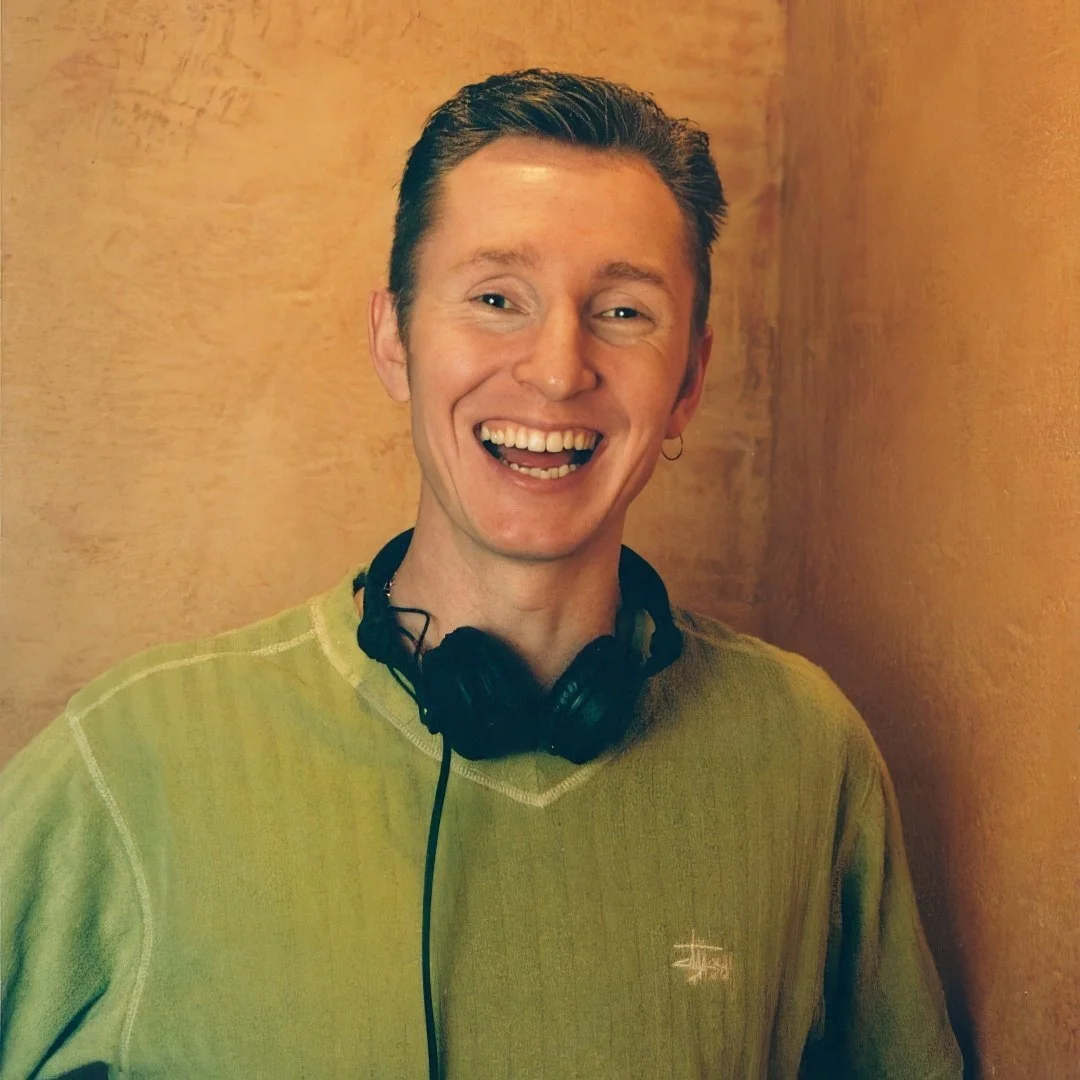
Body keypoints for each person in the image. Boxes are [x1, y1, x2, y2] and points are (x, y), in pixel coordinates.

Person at [0, 70, 962, 1079]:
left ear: (689, 382)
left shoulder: (806, 754)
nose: (557, 369)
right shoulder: (137, 757)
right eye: (498, 297)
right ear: (394, 341)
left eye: (626, 312)